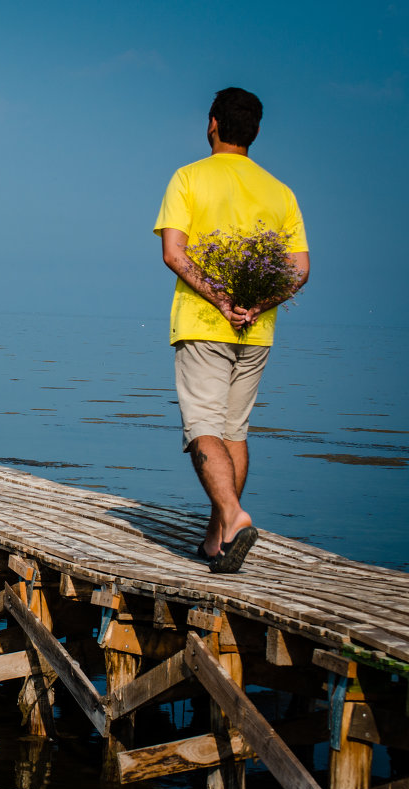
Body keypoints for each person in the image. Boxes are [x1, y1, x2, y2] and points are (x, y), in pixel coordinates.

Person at [153, 87, 310, 573]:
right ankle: (216, 539)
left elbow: (174, 253)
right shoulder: (279, 191)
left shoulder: (189, 178)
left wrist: (221, 300)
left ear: (212, 124)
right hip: (256, 330)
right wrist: (254, 305)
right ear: (256, 132)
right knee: (234, 431)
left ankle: (234, 517)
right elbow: (300, 270)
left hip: (203, 324)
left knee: (202, 427)